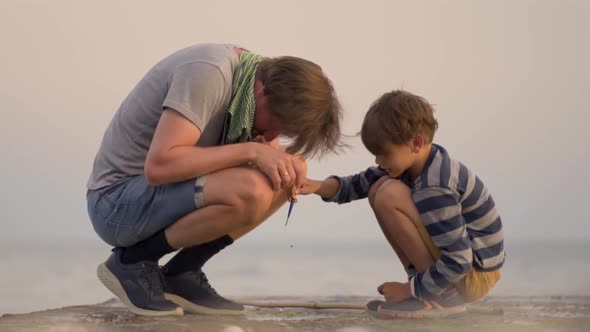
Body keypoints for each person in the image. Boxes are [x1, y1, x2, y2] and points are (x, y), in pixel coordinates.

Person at [86, 43, 342, 317]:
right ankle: (132, 263)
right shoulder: (209, 73)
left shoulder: (251, 85)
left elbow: (261, 156)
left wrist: (279, 162)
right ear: (264, 93)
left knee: (286, 172)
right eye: (275, 124)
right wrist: (253, 150)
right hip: (115, 204)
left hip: (153, 199)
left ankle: (181, 273)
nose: (271, 136)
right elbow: (160, 165)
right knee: (252, 188)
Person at [299, 90, 504, 319]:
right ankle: (428, 293)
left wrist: (409, 289)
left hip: (473, 273)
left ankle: (443, 298)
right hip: (462, 268)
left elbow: (459, 260)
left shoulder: (435, 186)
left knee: (389, 194)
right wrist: (315, 186)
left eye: (384, 153)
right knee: (378, 187)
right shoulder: (415, 164)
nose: (378, 161)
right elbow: (358, 184)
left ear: (416, 143)